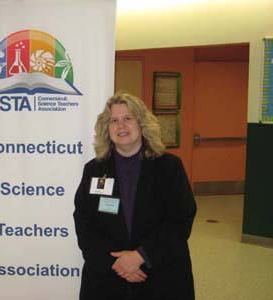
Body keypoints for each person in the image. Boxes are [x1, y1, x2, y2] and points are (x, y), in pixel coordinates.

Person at [73, 93, 196, 300]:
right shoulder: (94, 170)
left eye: (128, 119)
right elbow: (84, 221)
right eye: (114, 120)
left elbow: (180, 219)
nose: (121, 126)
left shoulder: (169, 167)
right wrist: (115, 262)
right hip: (107, 275)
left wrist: (141, 256)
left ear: (142, 124)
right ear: (107, 128)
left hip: (159, 273)